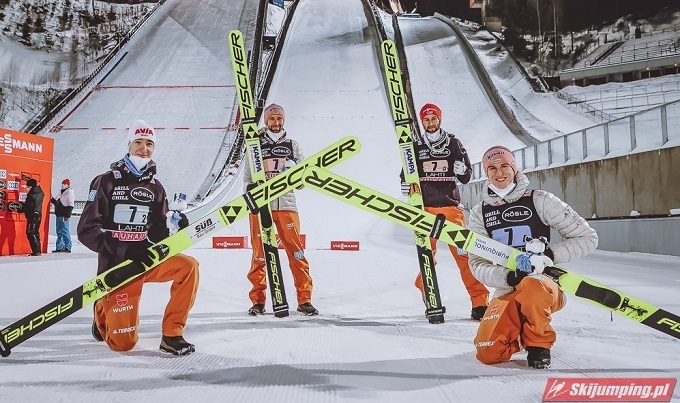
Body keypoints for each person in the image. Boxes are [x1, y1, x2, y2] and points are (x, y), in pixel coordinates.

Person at [468, 145, 598, 369]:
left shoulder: (540, 200)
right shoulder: (480, 212)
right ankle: (521, 332)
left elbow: (588, 238)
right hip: (508, 290)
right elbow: (477, 263)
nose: (499, 173)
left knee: (532, 285)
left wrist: (549, 254)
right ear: (486, 173)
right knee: (489, 353)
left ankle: (539, 344)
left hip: (543, 286)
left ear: (514, 169)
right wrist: (508, 277)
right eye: (492, 168)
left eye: (504, 166)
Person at [78, 119, 199, 356]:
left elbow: (157, 231)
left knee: (188, 267)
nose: (144, 148)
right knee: (123, 344)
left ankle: (172, 335)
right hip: (118, 267)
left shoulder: (156, 186)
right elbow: (87, 230)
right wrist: (124, 249)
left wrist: (173, 226)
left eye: (149, 144)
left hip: (145, 260)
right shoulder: (106, 180)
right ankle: (102, 307)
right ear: (129, 145)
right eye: (139, 142)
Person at [400, 103, 489, 320]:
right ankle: (427, 289)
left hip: (451, 209)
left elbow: (466, 177)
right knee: (427, 255)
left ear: (440, 119)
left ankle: (480, 302)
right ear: (422, 122)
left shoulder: (453, 143)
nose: (431, 123)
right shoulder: (416, 146)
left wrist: (463, 170)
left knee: (464, 256)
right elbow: (406, 172)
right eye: (426, 119)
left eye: (434, 119)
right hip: (425, 210)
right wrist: (404, 182)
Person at [245, 103, 317, 316]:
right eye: (272, 119)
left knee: (297, 253)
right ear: (266, 121)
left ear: (283, 120)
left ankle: (304, 300)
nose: (276, 123)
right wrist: (251, 190)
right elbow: (247, 177)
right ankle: (258, 301)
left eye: (279, 119)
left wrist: (295, 174)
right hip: (261, 207)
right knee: (259, 255)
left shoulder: (293, 146)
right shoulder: (255, 145)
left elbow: (303, 183)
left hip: (286, 205)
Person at [51, 178, 75, 253]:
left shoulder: (69, 193)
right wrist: (52, 199)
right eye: (62, 184)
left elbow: (71, 205)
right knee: (59, 231)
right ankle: (59, 247)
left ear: (68, 185)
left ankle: (67, 246)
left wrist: (67, 215)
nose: (63, 185)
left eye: (64, 184)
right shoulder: (60, 192)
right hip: (58, 215)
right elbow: (57, 202)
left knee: (64, 230)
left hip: (64, 215)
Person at [23, 178, 45, 256]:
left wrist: (21, 208)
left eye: (28, 186)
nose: (27, 188)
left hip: (33, 215)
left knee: (31, 233)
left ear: (31, 186)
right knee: (35, 232)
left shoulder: (32, 194)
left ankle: (36, 251)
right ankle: (38, 251)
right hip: (38, 214)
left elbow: (29, 206)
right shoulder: (40, 192)